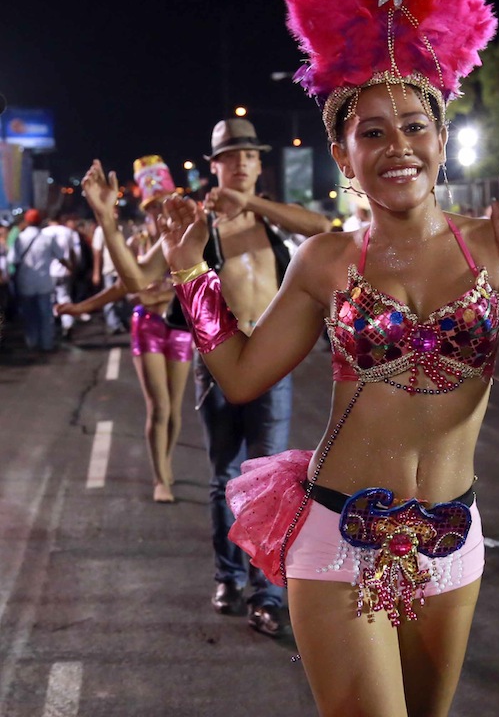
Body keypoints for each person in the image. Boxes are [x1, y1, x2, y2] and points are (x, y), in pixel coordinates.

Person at [155, 0, 499, 714]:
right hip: (339, 538)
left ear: (442, 135)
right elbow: (244, 377)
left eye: (415, 126)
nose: (399, 147)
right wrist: (192, 279)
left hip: (453, 541)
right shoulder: (325, 258)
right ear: (342, 152)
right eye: (373, 132)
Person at [81, 120, 331, 637]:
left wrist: (250, 202)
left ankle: (267, 594)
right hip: (215, 368)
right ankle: (227, 577)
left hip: (273, 368)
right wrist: (107, 220)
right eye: (229, 156)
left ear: (260, 165)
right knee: (225, 479)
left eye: (249, 155)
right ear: (213, 165)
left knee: (274, 481)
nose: (240, 162)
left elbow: (324, 229)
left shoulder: (275, 222)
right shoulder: (198, 223)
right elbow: (137, 280)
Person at [62, 156, 193, 503]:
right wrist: (82, 306)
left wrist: (160, 290)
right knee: (159, 407)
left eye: (163, 204)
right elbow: (129, 287)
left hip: (179, 328)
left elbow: (170, 288)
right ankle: (159, 477)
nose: (158, 212)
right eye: (152, 208)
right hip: (148, 326)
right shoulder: (136, 245)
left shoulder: (183, 238)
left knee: (176, 408)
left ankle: (166, 461)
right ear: (145, 210)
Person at [7, 208, 71, 353]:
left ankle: (32, 342)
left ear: (27, 221)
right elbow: (61, 257)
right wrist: (71, 269)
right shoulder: (47, 239)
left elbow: (12, 260)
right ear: (40, 221)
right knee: (45, 315)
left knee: (30, 315)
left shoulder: (20, 239)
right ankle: (47, 343)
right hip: (44, 283)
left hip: (25, 284)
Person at [92, 207, 131, 335]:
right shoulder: (100, 230)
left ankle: (123, 321)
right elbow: (97, 252)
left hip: (123, 270)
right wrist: (96, 272)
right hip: (109, 269)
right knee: (109, 297)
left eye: (116, 212)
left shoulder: (123, 228)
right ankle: (113, 324)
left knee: (124, 298)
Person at [43, 209, 81, 339]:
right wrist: (73, 267)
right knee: (64, 297)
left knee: (50, 300)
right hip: (64, 271)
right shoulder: (67, 232)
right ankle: (68, 323)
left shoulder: (44, 233)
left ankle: (51, 326)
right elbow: (73, 252)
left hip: (48, 272)